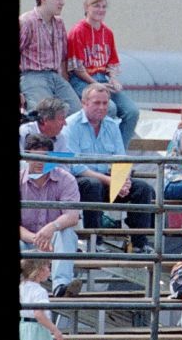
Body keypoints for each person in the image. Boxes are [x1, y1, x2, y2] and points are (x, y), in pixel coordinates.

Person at [63, 83, 156, 248]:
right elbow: (75, 166)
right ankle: (95, 242)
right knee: (92, 185)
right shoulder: (71, 125)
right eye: (96, 103)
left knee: (143, 189)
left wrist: (123, 180)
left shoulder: (112, 125)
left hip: (107, 180)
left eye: (105, 103)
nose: (101, 107)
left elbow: (121, 159)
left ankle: (140, 243)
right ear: (84, 103)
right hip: (79, 182)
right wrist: (111, 181)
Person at [65, 0, 140, 139]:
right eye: (96, 5)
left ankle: (119, 156)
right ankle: (101, 151)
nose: (101, 10)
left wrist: (113, 79)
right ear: (87, 7)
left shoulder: (108, 33)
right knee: (108, 108)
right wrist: (95, 85)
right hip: (83, 80)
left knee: (132, 111)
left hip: (103, 79)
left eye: (104, 6)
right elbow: (77, 68)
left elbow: (111, 62)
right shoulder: (77, 31)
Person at [19, 133, 83, 297]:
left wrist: (51, 228)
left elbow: (72, 216)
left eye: (45, 157)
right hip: (26, 240)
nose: (40, 162)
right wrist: (35, 238)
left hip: (53, 241)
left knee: (66, 234)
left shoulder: (66, 179)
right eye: (35, 157)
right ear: (26, 156)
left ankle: (61, 287)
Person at [19, 0, 79, 110]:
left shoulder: (59, 23)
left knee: (76, 113)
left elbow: (63, 57)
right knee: (45, 114)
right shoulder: (27, 22)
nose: (62, 2)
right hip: (33, 76)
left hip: (55, 76)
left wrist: (65, 81)